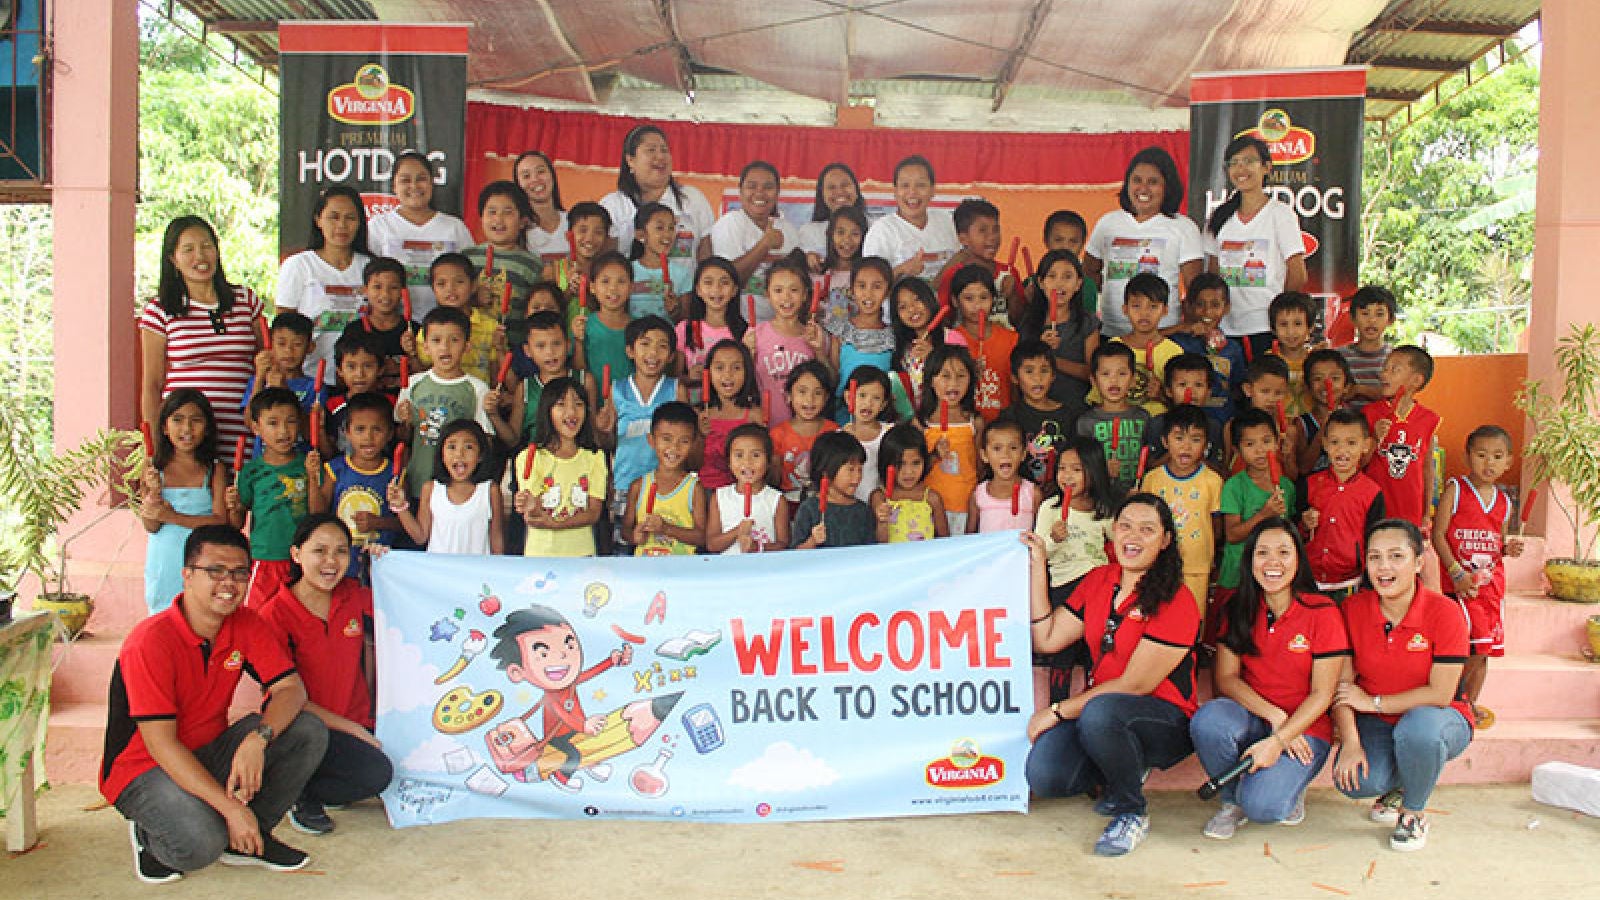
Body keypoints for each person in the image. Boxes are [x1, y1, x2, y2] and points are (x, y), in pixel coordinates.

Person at [102, 524, 326, 883]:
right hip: (144, 768)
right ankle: (148, 834)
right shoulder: (150, 642)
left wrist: (259, 738)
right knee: (200, 844)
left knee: (306, 730)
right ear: (187, 575)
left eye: (239, 573)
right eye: (215, 571)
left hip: (208, 752)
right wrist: (230, 810)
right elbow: (161, 744)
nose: (229, 583)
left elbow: (291, 690)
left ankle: (251, 839)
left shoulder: (246, 624)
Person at [1025, 494, 1201, 857]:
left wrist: (1057, 712)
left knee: (1102, 711)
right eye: (1125, 526)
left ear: (1165, 540)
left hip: (1163, 720)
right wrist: (1038, 566)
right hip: (1100, 717)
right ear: (1113, 531)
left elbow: (1134, 685)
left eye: (1147, 529)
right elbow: (1048, 636)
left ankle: (1130, 811)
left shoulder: (1177, 599)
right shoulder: (1099, 580)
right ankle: (1121, 767)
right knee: (1046, 773)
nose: (1132, 536)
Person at [1191, 518, 1347, 838]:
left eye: (1283, 552)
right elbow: (1227, 678)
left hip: (1306, 729)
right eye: (1262, 553)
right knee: (1208, 719)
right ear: (1250, 561)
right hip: (1253, 717)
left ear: (1298, 560)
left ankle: (1287, 784)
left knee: (1265, 808)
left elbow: (1323, 693)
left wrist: (1281, 738)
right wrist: (1273, 716)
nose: (1272, 562)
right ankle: (1232, 802)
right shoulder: (1237, 608)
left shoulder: (1322, 611)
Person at [1332, 519, 1474, 852]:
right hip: (1380, 723)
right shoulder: (1352, 609)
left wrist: (1374, 703)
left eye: (1396, 556)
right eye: (1374, 557)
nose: (1384, 567)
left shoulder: (1446, 613)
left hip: (1440, 718)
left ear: (1419, 562)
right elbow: (1343, 687)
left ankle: (1413, 812)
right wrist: (1351, 742)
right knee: (1354, 782)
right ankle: (1403, 782)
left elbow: (1439, 694)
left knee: (1418, 731)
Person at [257, 516, 393, 835]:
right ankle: (299, 791)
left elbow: (402, 607)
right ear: (295, 554)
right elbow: (283, 697)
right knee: (376, 774)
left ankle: (316, 778)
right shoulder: (274, 614)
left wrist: (388, 570)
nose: (331, 562)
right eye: (319, 551)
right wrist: (352, 730)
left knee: (383, 774)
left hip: (355, 723)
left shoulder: (353, 595)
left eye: (341, 551)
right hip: (304, 728)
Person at [140, 215, 266, 451]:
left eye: (206, 246)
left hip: (245, 431)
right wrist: (154, 447)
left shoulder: (245, 300)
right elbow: (152, 385)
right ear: (173, 259)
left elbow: (267, 359)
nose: (200, 256)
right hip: (187, 439)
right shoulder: (160, 310)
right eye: (188, 249)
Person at [1432, 425, 1524, 727]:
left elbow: (1496, 542)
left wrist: (1508, 547)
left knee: (1484, 650)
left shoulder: (1504, 501)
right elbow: (1439, 535)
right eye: (1482, 455)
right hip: (1460, 588)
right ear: (1467, 456)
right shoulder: (1456, 491)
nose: (1489, 463)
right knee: (1462, 647)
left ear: (1509, 461)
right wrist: (1456, 572)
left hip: (1490, 589)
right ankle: (1453, 698)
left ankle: (1470, 702)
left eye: (1497, 457)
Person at [1033, 435, 1118, 703]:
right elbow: (1038, 552)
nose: (1067, 476)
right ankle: (1056, 705)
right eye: (1062, 468)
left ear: (1093, 472)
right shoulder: (1050, 508)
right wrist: (1053, 540)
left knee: (1097, 649)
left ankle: (1094, 703)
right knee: (1062, 654)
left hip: (1097, 587)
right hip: (1064, 587)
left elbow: (1119, 539)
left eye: (1076, 469)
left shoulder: (1102, 510)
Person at [1204, 136, 1308, 355]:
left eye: (1249, 161)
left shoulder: (1280, 214)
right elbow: (1212, 276)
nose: (1241, 168)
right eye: (1234, 162)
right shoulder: (1218, 218)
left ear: (1266, 168)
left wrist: (1280, 320)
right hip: (1225, 330)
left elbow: (1297, 273)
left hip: (1266, 329)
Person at [1084, 147, 1203, 335]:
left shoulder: (1184, 227)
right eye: (1137, 180)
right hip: (1112, 333)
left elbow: (1195, 288)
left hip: (1163, 335)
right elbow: (1089, 272)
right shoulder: (1108, 223)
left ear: (1167, 187)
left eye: (1153, 182)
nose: (1143, 189)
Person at [595, 316, 684, 552]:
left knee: (664, 548)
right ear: (630, 351)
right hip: (626, 483)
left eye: (662, 345)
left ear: (672, 356)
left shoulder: (675, 389)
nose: (653, 352)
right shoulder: (617, 389)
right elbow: (609, 443)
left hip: (668, 485)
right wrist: (603, 429)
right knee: (626, 549)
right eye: (645, 344)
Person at [139, 389, 228, 614]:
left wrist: (173, 517)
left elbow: (220, 521)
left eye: (195, 420)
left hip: (204, 559)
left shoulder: (214, 469)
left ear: (207, 428)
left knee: (203, 616)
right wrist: (154, 495)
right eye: (177, 420)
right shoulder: (153, 470)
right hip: (165, 561)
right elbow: (151, 525)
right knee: (164, 620)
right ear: (164, 427)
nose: (187, 429)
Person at [225, 388, 316, 606]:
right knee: (260, 617)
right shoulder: (250, 472)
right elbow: (236, 523)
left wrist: (313, 477)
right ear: (256, 428)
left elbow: (318, 513)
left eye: (291, 422)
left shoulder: (308, 465)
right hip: (263, 560)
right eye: (273, 423)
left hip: (301, 559)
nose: (283, 431)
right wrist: (234, 507)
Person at [394, 307, 493, 498]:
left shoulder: (477, 388)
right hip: (419, 480)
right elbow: (403, 438)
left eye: (454, 340)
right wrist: (405, 423)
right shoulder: (413, 384)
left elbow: (484, 440)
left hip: (457, 487)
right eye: (436, 340)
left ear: (466, 346)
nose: (445, 347)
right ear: (425, 347)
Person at [277, 185, 371, 386]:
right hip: (311, 380)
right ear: (318, 220)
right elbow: (284, 326)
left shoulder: (370, 268)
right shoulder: (299, 265)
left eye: (350, 218)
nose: (342, 225)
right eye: (333, 217)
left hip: (360, 382)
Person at [365, 151, 474, 321]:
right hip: (396, 326)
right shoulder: (379, 226)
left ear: (432, 183)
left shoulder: (454, 227)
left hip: (447, 328)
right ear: (394, 186)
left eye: (421, 179)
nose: (414, 186)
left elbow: (472, 276)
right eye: (405, 180)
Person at [1138, 404, 1224, 613]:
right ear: (1165, 441)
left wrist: (1212, 558)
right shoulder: (1152, 479)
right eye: (1179, 438)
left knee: (1193, 618)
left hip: (1197, 567)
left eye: (1195, 439)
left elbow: (1217, 526)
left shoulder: (1212, 481)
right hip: (1158, 564)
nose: (1186, 447)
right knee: (1160, 616)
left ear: (1205, 444)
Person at [511, 377, 608, 557]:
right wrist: (529, 505)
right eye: (561, 404)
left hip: (582, 555)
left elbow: (594, 513)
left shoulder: (595, 458)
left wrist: (556, 524)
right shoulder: (530, 457)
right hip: (541, 555)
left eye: (578, 404)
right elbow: (533, 516)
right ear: (547, 411)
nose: (571, 411)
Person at [313, 390, 399, 579]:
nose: (368, 437)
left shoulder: (395, 474)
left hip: (380, 564)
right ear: (347, 432)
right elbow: (317, 515)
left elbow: (404, 523)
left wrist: (378, 523)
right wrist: (312, 478)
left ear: (390, 433)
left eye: (377, 429)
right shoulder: (335, 469)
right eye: (360, 429)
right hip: (340, 562)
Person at [1301, 410, 1385, 600]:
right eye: (1334, 442)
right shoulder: (1310, 484)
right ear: (1324, 444)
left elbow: (1374, 540)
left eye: (1351, 443)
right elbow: (1294, 530)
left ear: (1366, 445)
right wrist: (1304, 525)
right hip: (1308, 580)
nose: (1342, 450)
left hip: (1349, 583)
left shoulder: (1372, 492)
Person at [388, 419, 505, 555]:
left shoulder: (489, 491)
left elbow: (497, 543)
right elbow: (420, 537)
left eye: (468, 447)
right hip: (439, 573)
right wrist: (400, 507)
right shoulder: (431, 489)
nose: (459, 454)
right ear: (442, 455)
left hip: (476, 574)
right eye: (451, 447)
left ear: (480, 455)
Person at [599, 124, 716, 258]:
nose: (660, 156)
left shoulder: (692, 198)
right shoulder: (612, 206)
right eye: (651, 150)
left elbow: (706, 257)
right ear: (630, 160)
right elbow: (603, 262)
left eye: (664, 150)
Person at [1361, 345, 1440, 528]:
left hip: (1410, 510)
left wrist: (1426, 512)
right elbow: (1360, 463)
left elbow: (1427, 469)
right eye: (1384, 368)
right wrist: (1374, 438)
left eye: (1394, 370)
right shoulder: (1370, 413)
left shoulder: (1428, 419)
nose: (1384, 375)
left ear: (1416, 381)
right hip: (1375, 507)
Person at [710, 160, 799, 322]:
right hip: (738, 324)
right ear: (740, 191)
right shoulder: (730, 223)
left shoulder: (789, 230)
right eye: (752, 186)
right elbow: (727, 279)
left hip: (780, 326)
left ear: (777, 193)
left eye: (768, 187)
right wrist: (765, 244)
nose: (760, 193)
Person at [744, 251, 824, 428]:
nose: (786, 297)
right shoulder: (755, 335)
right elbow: (744, 382)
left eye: (794, 290)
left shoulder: (813, 335)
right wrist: (747, 354)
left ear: (805, 295)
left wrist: (819, 350)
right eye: (778, 290)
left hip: (806, 429)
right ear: (767, 294)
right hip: (767, 426)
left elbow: (829, 380)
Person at [465, 180, 542, 355]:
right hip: (472, 348)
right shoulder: (467, 258)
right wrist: (473, 299)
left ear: (522, 221)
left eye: (507, 213)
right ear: (481, 217)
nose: (498, 219)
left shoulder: (532, 264)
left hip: (513, 349)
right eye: (491, 212)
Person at [1090, 273, 1183, 415]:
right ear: (1125, 309)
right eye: (1136, 306)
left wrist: (1161, 395)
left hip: (1159, 423)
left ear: (1165, 310)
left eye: (1153, 307)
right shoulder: (1113, 347)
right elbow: (1099, 396)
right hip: (1121, 424)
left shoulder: (1173, 351)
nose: (1144, 313)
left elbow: (1181, 402)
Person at [1019, 248, 1098, 414]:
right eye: (1052, 276)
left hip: (1076, 406)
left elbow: (1093, 372)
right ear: (1040, 283)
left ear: (1078, 284)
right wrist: (1040, 348)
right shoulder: (1029, 323)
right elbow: (1019, 368)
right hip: (1036, 407)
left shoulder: (1087, 323)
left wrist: (1054, 360)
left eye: (1067, 277)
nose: (1059, 283)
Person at [863, 155, 959, 286]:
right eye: (905, 185)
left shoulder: (946, 221)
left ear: (932, 190)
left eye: (921, 185)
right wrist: (901, 269)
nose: (912, 192)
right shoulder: (881, 231)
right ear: (895, 191)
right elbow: (869, 283)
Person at [625, 401, 705, 555]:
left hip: (681, 572)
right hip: (645, 570)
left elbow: (701, 537)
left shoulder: (694, 489)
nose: (674, 447)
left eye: (684, 441)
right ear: (651, 440)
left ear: (694, 444)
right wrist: (634, 536)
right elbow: (626, 530)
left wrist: (666, 528)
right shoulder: (639, 486)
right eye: (666, 439)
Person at [918, 345, 983, 534]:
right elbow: (914, 469)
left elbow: (979, 466)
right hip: (928, 506)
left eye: (961, 376)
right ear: (931, 381)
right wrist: (935, 455)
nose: (953, 383)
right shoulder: (922, 423)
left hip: (964, 505)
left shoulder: (974, 422)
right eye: (945, 376)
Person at [1167, 273, 1244, 426]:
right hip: (1185, 423)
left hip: (1222, 420)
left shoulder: (1232, 348)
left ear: (1226, 307)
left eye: (1215, 305)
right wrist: (1180, 327)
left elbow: (1238, 387)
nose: (1207, 312)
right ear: (1188, 306)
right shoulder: (1178, 342)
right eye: (1200, 304)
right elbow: (1147, 337)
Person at [826, 257, 897, 417]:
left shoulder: (892, 336)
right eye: (861, 286)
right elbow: (833, 373)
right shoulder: (841, 329)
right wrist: (817, 350)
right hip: (845, 413)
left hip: (880, 415)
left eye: (877, 287)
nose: (868, 294)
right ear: (851, 290)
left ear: (887, 292)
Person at [948, 264, 1019, 421]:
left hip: (1003, 423)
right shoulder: (950, 340)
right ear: (955, 300)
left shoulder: (1011, 339)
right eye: (969, 298)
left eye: (984, 297)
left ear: (993, 299)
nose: (977, 305)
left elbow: (1015, 388)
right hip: (965, 421)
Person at [706, 423, 790, 553]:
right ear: (729, 461)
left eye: (756, 455)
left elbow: (783, 544)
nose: (747, 462)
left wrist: (758, 548)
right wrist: (738, 531)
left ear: (768, 461)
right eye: (739, 455)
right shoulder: (719, 497)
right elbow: (712, 545)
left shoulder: (776, 500)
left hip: (764, 570)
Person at [1076, 342, 1149, 492]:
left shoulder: (1143, 417)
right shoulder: (1086, 422)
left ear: (1133, 379)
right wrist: (1101, 470)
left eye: (1122, 374)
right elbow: (1081, 466)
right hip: (1100, 496)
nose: (1114, 380)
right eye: (1105, 374)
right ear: (1094, 380)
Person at [340, 257, 417, 393]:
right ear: (365, 290)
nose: (385, 294)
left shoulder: (413, 329)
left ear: (403, 292)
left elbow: (426, 373)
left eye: (393, 287)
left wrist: (413, 354)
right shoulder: (355, 330)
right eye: (377, 287)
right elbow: (343, 374)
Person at [1003, 339, 1074, 485]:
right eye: (1029, 371)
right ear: (1015, 378)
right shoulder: (1010, 416)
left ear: (1053, 375)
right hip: (1022, 493)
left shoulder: (1068, 415)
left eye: (1044, 370)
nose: (1037, 378)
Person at [790, 431, 875, 548]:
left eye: (860, 470)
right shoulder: (809, 509)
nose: (857, 477)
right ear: (826, 470)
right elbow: (795, 554)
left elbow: (871, 550)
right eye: (851, 469)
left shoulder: (863, 511)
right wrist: (812, 541)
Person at [697, 339, 762, 491]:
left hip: (741, 493)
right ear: (708, 373)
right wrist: (700, 436)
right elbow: (691, 462)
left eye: (736, 368)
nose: (728, 374)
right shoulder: (700, 415)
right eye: (719, 368)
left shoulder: (754, 415)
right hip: (704, 491)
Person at [771, 360, 840, 502]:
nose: (810, 399)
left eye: (818, 393)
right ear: (789, 395)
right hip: (788, 504)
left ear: (826, 398)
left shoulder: (834, 432)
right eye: (802, 392)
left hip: (824, 503)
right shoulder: (777, 434)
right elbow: (773, 481)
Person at [677, 256, 747, 392]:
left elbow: (748, 377)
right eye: (708, 282)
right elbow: (674, 377)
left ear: (734, 290)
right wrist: (690, 377)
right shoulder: (684, 329)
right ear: (697, 290)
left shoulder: (744, 332)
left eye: (724, 282)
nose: (716, 289)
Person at [873, 422, 949, 543]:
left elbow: (945, 541)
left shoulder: (932, 498)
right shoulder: (879, 497)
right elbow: (879, 543)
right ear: (886, 463)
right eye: (900, 464)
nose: (909, 472)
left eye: (916, 463)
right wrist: (882, 521)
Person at [968, 418, 1037, 533]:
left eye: (1013, 448)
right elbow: (970, 537)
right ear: (984, 455)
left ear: (1023, 454)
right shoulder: (979, 495)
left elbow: (1040, 533)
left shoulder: (1032, 493)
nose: (1005, 454)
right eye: (997, 448)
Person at [628, 202, 692, 321]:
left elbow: (685, 319)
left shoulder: (682, 273)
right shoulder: (627, 270)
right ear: (640, 234)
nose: (667, 235)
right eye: (659, 228)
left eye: (671, 228)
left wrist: (674, 311)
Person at [1338, 286, 1397, 411]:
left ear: (1391, 319)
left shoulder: (1395, 357)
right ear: (1353, 318)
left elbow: (1398, 396)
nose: (1372, 320)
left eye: (1379, 314)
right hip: (1347, 425)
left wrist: (1360, 390)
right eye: (1365, 314)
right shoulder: (1339, 356)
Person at [841, 365, 894, 500]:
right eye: (862, 395)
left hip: (883, 509)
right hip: (852, 510)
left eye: (876, 398)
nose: (868, 403)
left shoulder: (891, 433)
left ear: (883, 404)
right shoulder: (839, 438)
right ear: (848, 398)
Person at [798, 162, 865, 268]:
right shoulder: (809, 232)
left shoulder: (874, 228)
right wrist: (806, 259)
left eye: (845, 185)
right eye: (831, 187)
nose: (839, 191)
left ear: (856, 190)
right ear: (822, 195)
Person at [1267, 291, 1320, 416]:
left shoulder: (1315, 361)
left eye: (1297, 324)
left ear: (1310, 327)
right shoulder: (1268, 360)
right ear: (1273, 328)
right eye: (1283, 324)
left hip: (1310, 427)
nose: (1291, 332)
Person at [513, 150, 570, 259]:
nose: (535, 179)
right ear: (518, 184)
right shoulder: (516, 229)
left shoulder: (573, 222)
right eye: (526, 176)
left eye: (540, 171)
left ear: (552, 175)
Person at [1043, 210, 1099, 313]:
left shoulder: (1088, 286)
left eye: (1073, 241)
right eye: (1058, 240)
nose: (1065, 247)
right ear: (1046, 240)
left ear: (1083, 244)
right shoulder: (1032, 283)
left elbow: (1089, 325)